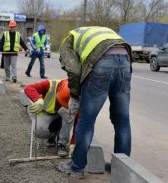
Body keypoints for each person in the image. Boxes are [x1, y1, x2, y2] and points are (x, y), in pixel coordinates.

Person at [57, 26, 133, 179]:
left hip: (102, 62)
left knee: (86, 121)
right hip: (125, 61)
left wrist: (74, 95)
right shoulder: (95, 31)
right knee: (122, 120)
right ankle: (121, 168)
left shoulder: (67, 41)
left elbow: (74, 70)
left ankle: (76, 167)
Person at [24, 78, 74, 157]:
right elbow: (28, 88)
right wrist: (38, 99)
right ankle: (52, 136)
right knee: (39, 130)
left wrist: (73, 143)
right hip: (47, 114)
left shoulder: (75, 94)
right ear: (58, 90)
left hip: (61, 115)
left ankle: (62, 144)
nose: (62, 103)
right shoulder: (50, 85)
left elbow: (78, 120)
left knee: (70, 116)